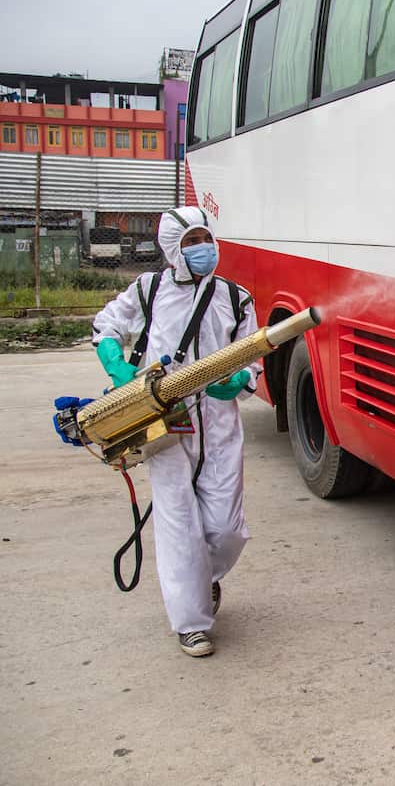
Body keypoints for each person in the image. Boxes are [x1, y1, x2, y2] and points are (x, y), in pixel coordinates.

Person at [91, 206, 259, 657]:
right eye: (191, 242)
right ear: (172, 249)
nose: (203, 248)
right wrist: (116, 364)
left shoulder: (236, 296)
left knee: (227, 528)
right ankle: (192, 622)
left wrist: (240, 379)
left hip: (220, 425)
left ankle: (206, 579)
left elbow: (252, 357)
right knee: (177, 522)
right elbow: (105, 325)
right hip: (164, 422)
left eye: (206, 237)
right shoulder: (148, 291)